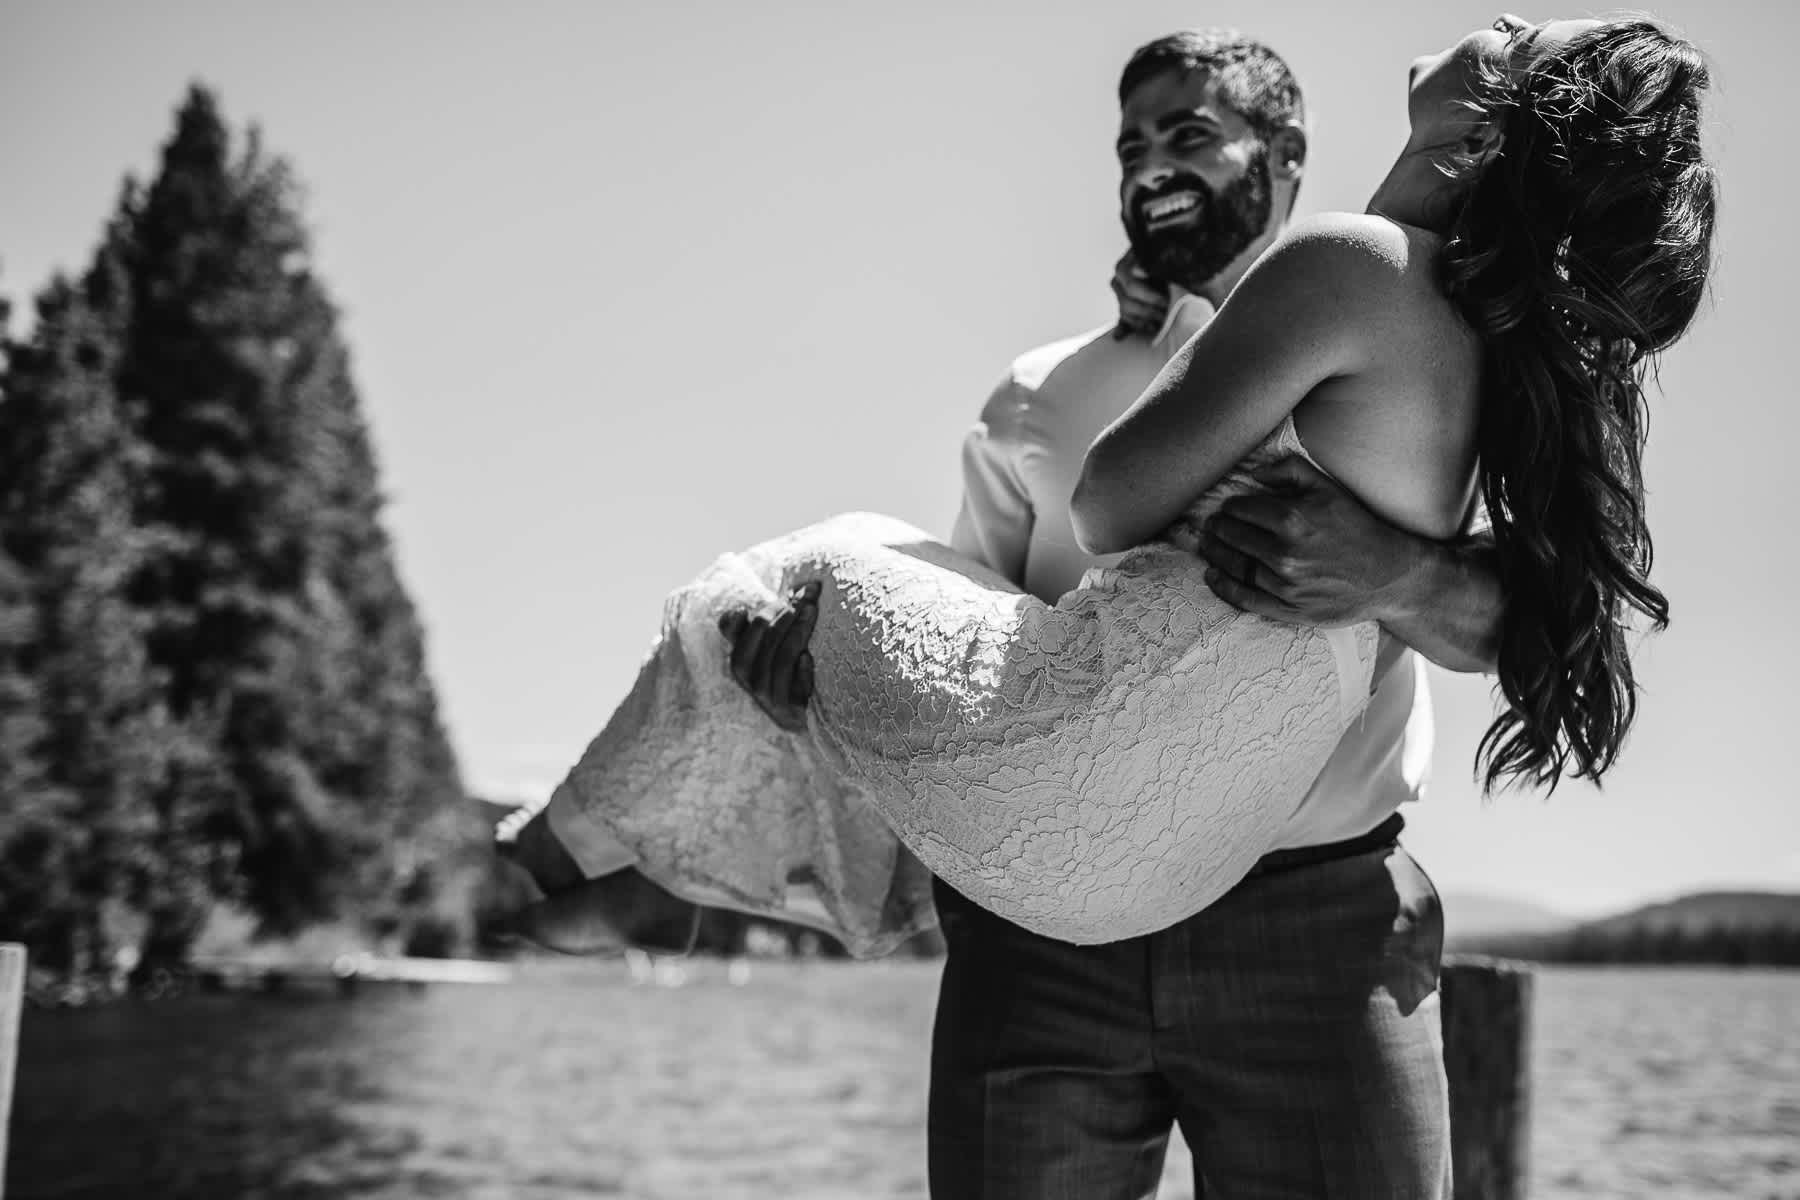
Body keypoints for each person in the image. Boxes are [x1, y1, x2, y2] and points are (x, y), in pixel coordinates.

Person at [502, 16, 1715, 1197]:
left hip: (1313, 921)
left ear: (1286, 155)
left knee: (811, 566)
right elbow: (972, 656)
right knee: (821, 626)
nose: (1151, 166)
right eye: (1130, 146)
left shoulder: (1401, 294)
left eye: (1186, 132)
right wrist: (808, 686)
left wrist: (1397, 572)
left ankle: (630, 867)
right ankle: (684, 870)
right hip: (1038, 940)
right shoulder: (1042, 388)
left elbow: (1530, 619)